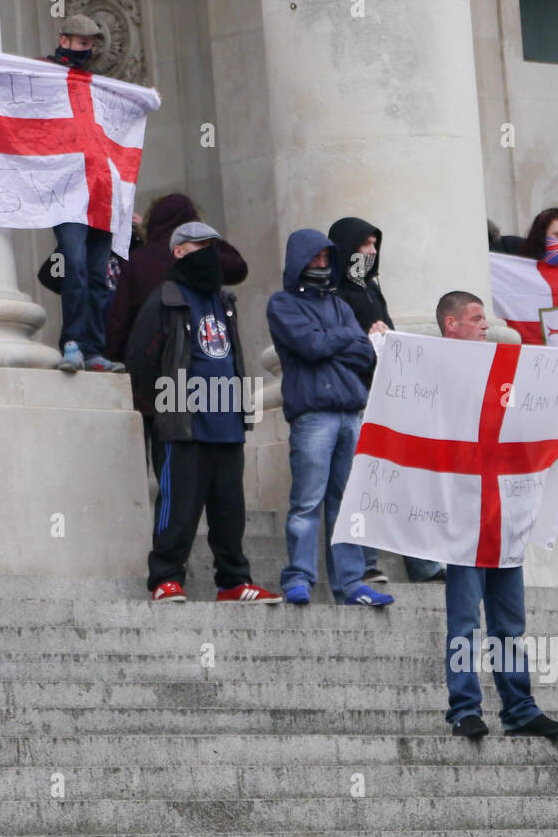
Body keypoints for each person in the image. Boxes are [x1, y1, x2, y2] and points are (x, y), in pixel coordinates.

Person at [0, 14, 129, 373]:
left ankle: (93, 349)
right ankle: (74, 342)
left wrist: (145, 100)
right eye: (82, 43)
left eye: (91, 44)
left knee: (98, 275)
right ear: (64, 40)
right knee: (74, 265)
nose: (87, 49)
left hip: (100, 192)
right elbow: (2, 75)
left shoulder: (94, 83)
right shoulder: (41, 71)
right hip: (65, 192)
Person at [436, 290, 558, 738]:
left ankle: (519, 708)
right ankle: (464, 708)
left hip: (504, 517)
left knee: (510, 625)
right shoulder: (433, 372)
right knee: (465, 622)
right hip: (463, 520)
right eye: (476, 319)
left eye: (484, 319)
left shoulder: (503, 374)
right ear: (451, 324)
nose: (485, 326)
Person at [125, 221, 280, 604]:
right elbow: (140, 360)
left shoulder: (225, 301)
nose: (211, 254)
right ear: (179, 251)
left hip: (227, 418)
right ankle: (165, 578)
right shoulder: (165, 298)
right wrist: (166, 403)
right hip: (183, 419)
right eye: (201, 246)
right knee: (177, 507)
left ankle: (233, 582)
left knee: (230, 510)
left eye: (215, 246)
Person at [266, 229, 393, 608]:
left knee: (346, 504)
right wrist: (342, 340)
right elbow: (309, 345)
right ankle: (299, 578)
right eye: (315, 257)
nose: (322, 264)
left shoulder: (340, 306)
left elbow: (366, 355)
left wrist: (332, 339)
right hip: (314, 417)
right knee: (307, 502)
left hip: (350, 413)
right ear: (299, 260)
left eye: (326, 257)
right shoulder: (282, 304)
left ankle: (351, 584)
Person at [327, 215, 444, 586]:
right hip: (356, 394)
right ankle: (366, 562)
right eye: (364, 245)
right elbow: (337, 341)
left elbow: (387, 330)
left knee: (406, 479)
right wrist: (367, 336)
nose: (372, 252)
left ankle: (424, 563)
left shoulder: (370, 288)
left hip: (386, 392)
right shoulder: (333, 291)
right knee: (363, 483)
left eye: (375, 245)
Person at [107, 194, 249, 469]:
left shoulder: (137, 261)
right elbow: (238, 266)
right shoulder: (205, 259)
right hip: (203, 379)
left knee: (168, 468)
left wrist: (114, 362)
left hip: (156, 378)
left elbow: (119, 322)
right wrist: (206, 235)